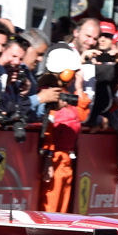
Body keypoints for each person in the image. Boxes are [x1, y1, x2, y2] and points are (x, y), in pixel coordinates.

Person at [38, 46, 90, 212]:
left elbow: (83, 115)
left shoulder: (65, 94)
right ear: (64, 72)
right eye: (73, 72)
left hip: (67, 161)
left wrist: (80, 89)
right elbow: (47, 130)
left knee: (62, 214)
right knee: (50, 211)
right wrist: (48, 159)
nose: (75, 75)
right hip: (55, 160)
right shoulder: (48, 94)